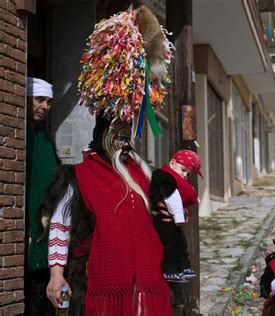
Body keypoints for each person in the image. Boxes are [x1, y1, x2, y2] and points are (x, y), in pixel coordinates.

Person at [38, 4, 174, 314]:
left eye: (130, 133)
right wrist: (56, 274)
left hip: (149, 284)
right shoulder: (81, 173)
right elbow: (60, 224)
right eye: (120, 132)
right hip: (106, 286)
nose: (126, 140)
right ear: (103, 133)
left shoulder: (141, 172)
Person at [25, 77, 58, 315]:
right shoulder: (22, 135)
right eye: (39, 99)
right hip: (30, 230)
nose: (45, 106)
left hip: (47, 227)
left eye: (48, 101)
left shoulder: (44, 137)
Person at [150, 149, 201, 282]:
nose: (185, 175)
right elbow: (174, 201)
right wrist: (179, 218)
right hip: (165, 220)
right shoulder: (166, 178)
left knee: (180, 243)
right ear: (172, 163)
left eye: (188, 173)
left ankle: (183, 268)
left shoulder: (173, 179)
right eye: (183, 170)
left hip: (170, 219)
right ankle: (172, 271)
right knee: (173, 244)